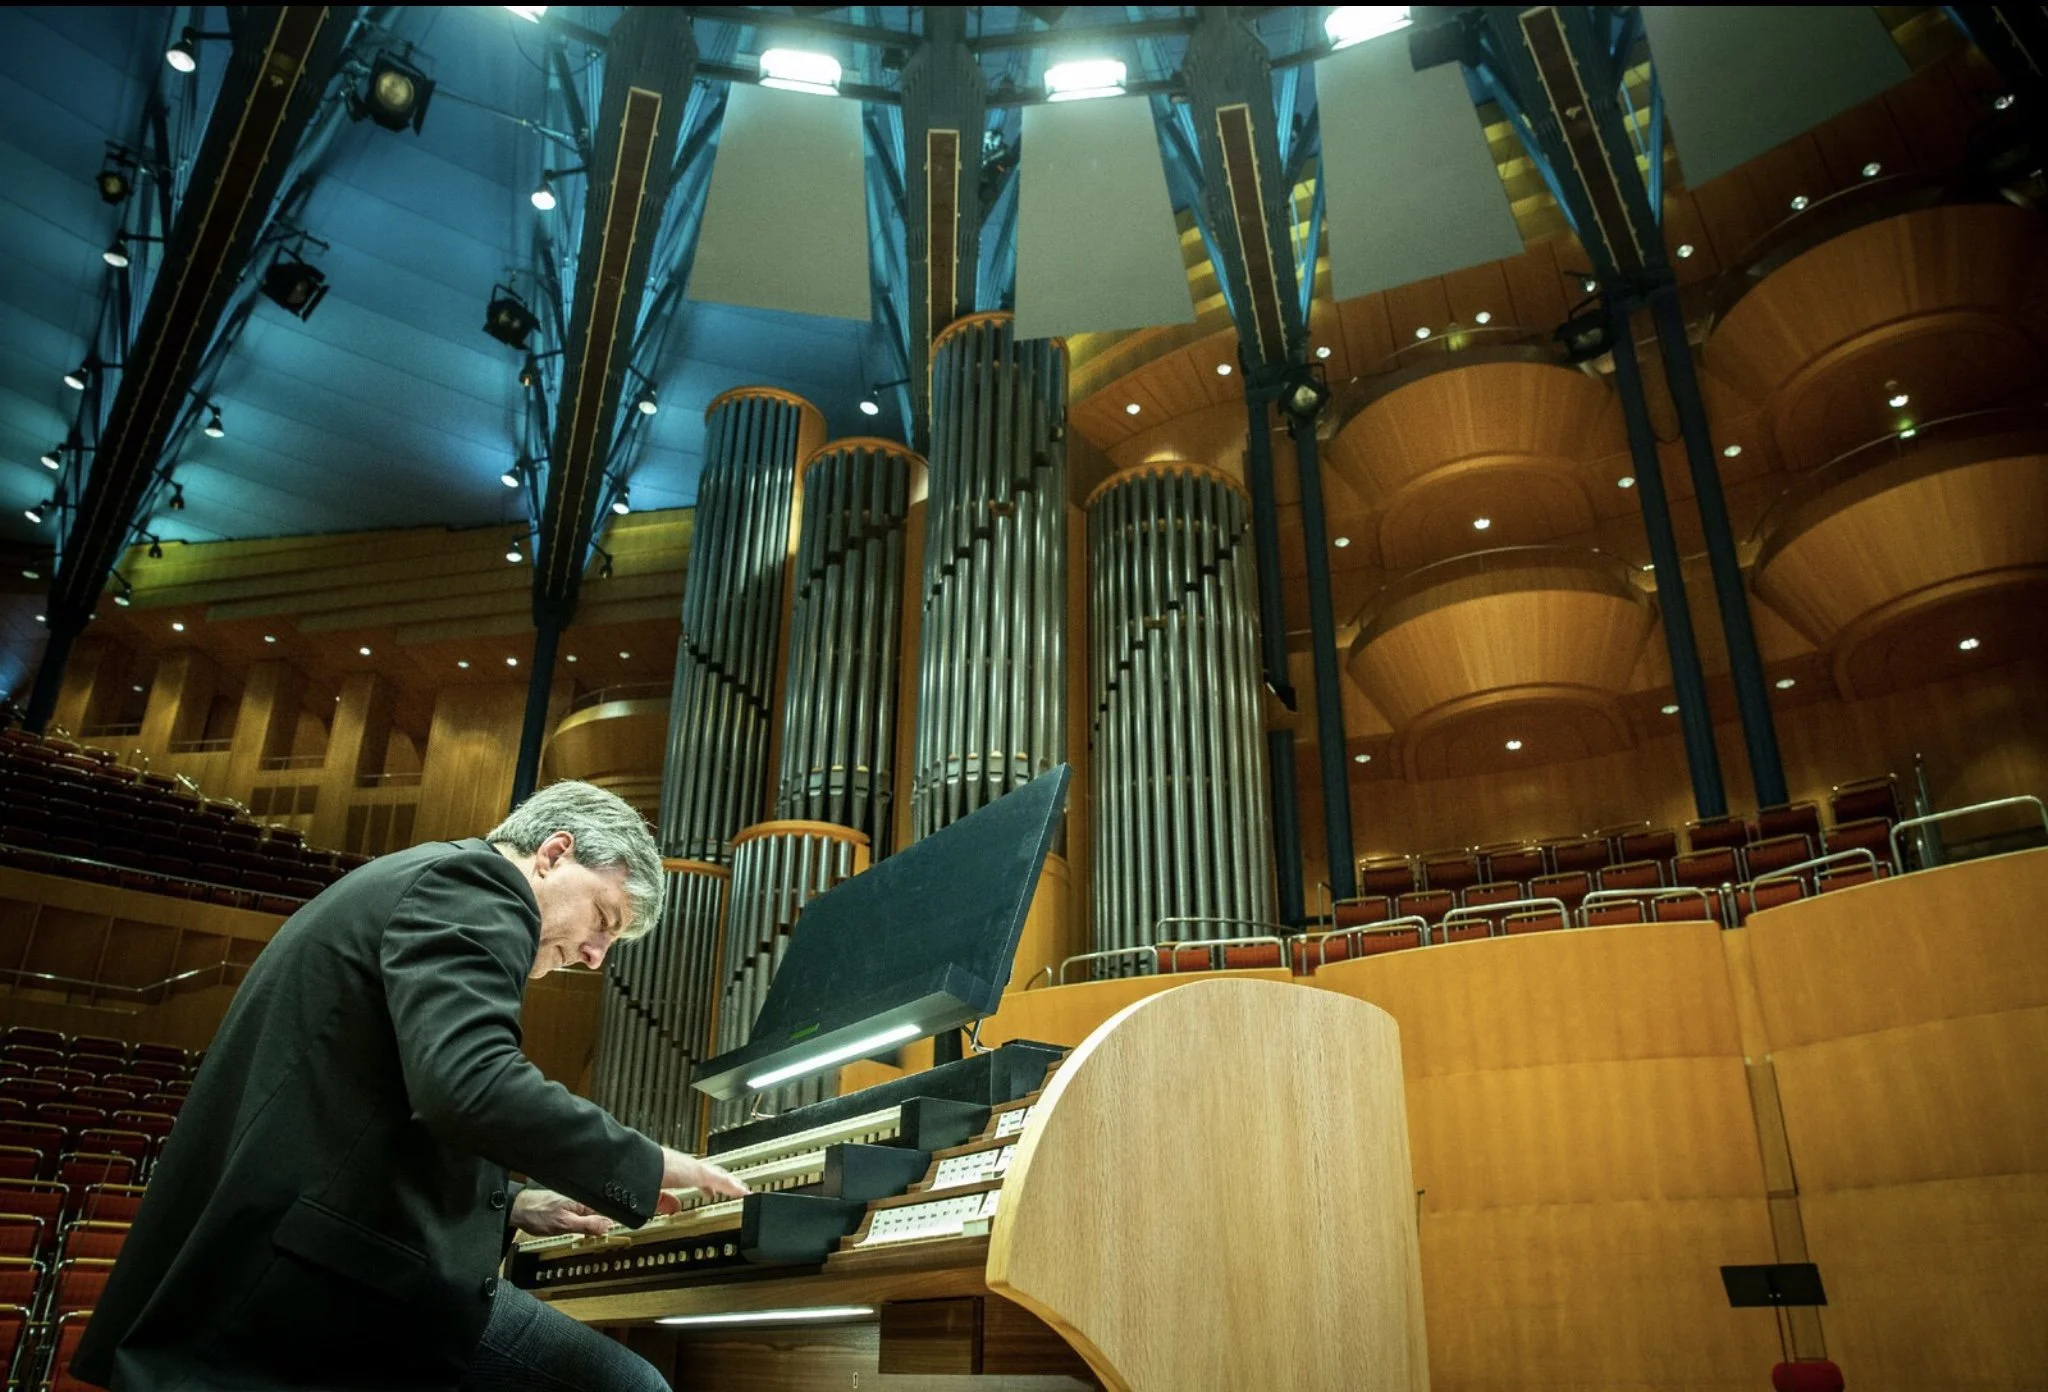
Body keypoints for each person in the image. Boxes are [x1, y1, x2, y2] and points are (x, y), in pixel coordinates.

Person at [73, 780, 749, 1391]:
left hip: (308, 1259)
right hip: (320, 1290)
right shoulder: (475, 885)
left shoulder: (425, 880)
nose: (596, 957)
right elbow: (470, 1083)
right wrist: (650, 1161)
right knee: (629, 1386)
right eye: (604, 918)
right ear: (553, 853)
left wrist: (511, 1204)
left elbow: (377, 1112)